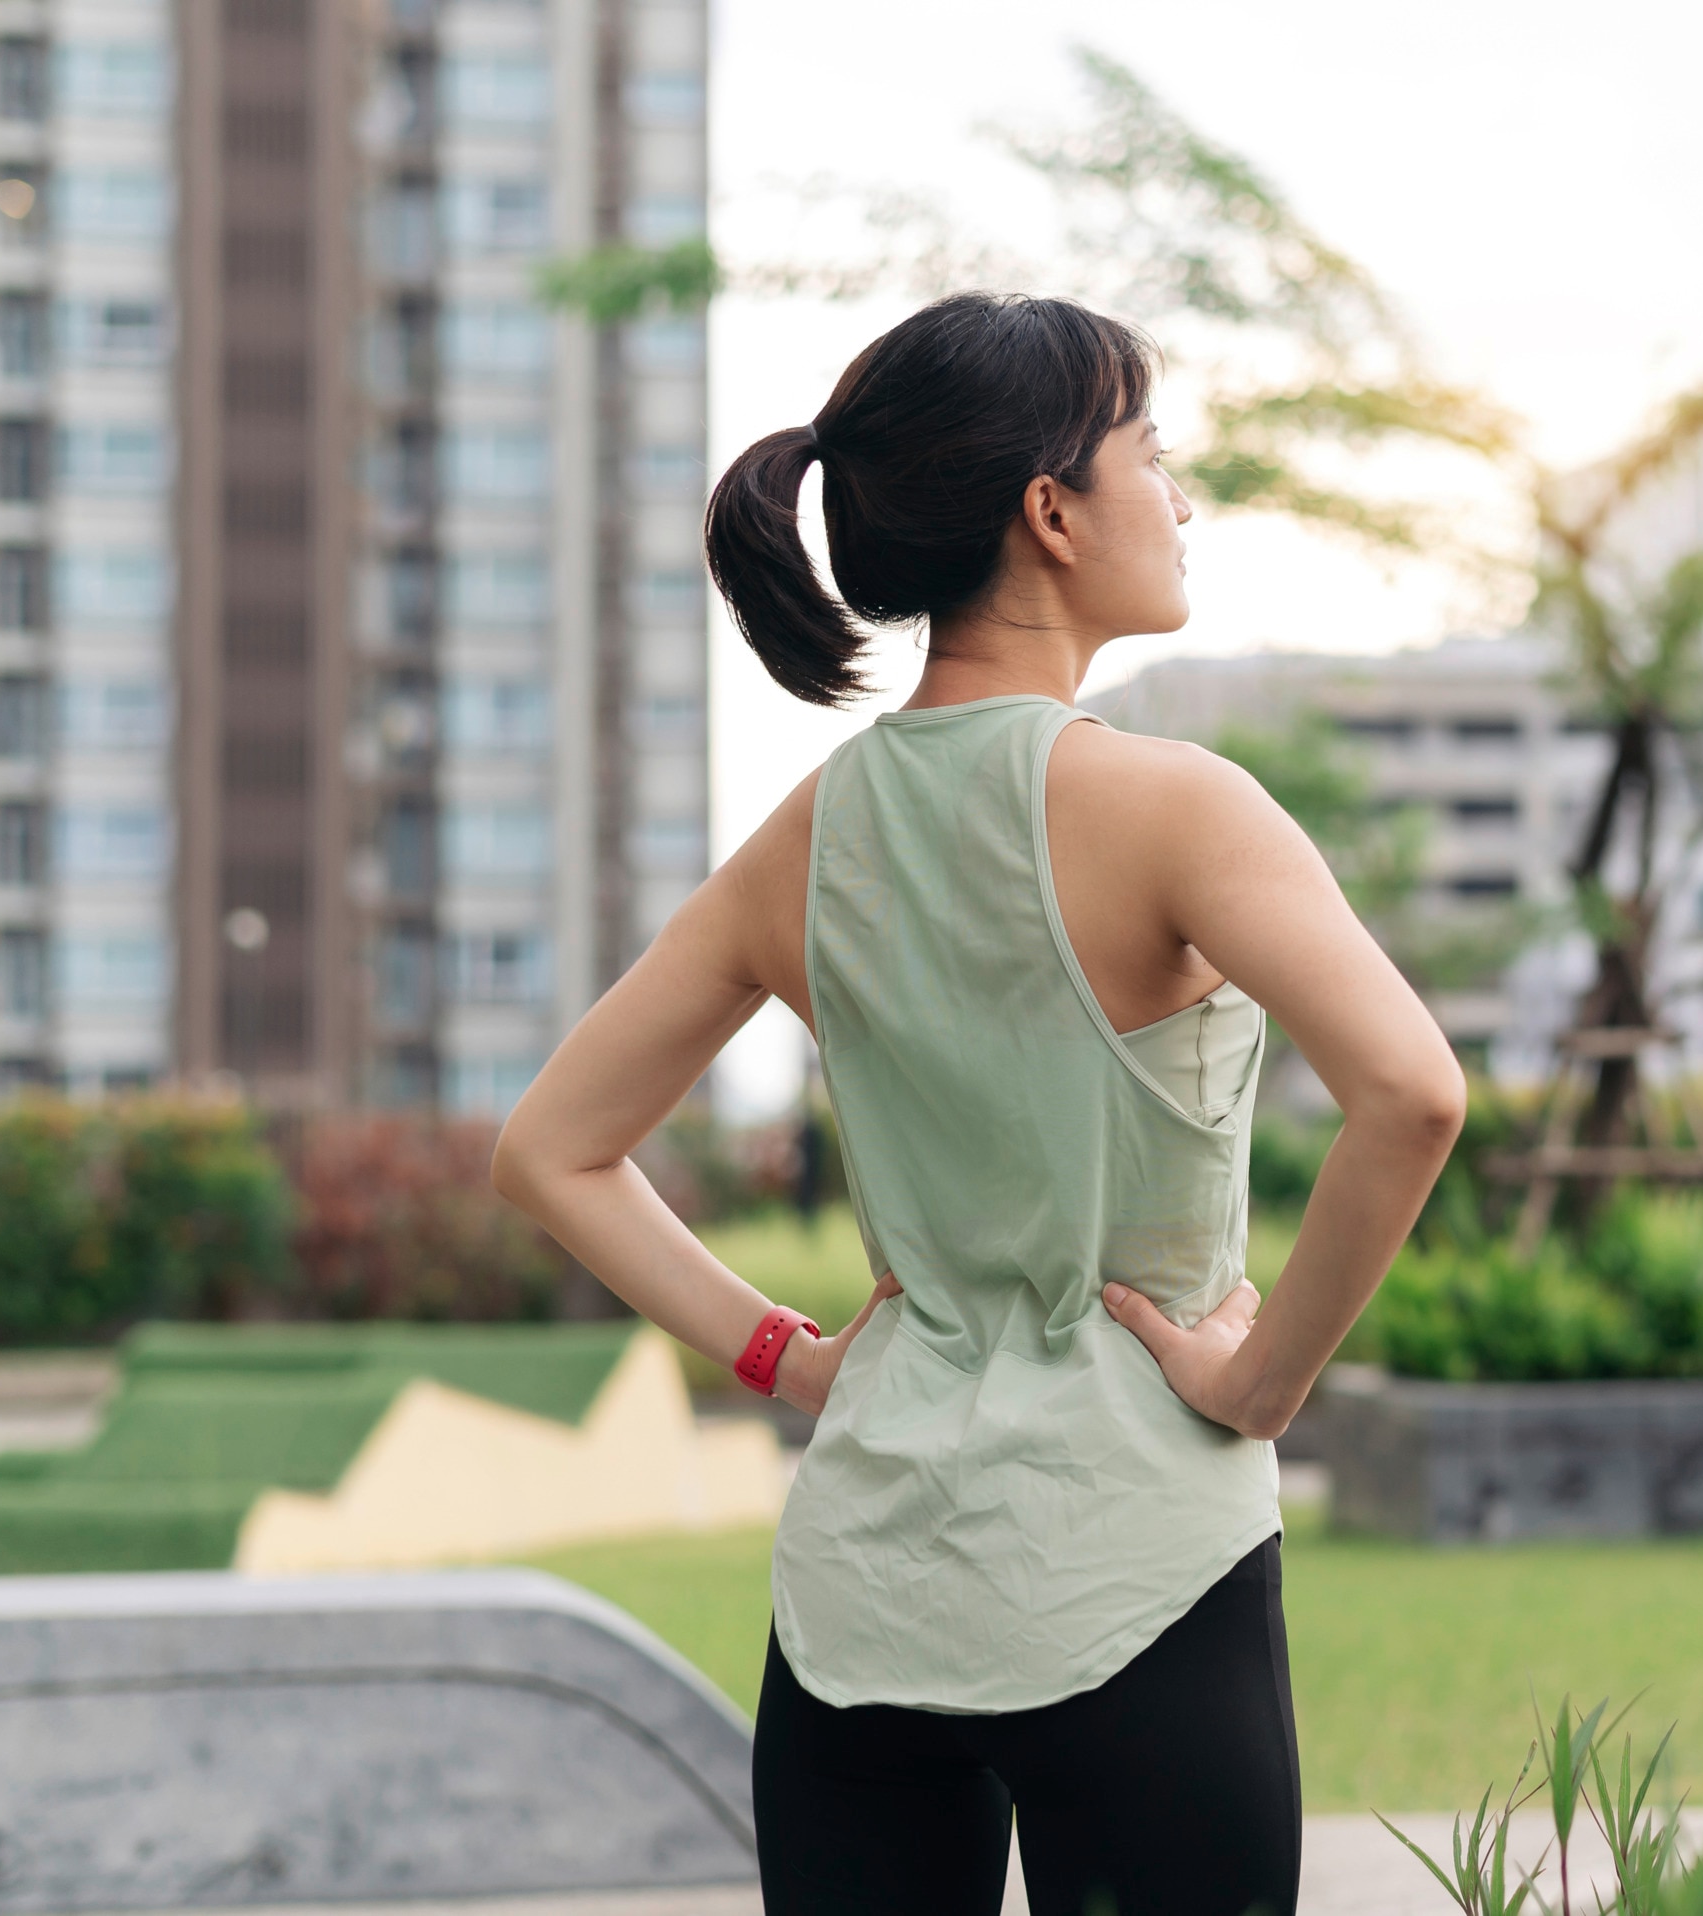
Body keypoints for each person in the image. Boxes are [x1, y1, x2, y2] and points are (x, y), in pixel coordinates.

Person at [491, 292, 1468, 1915]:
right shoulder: (1176, 807)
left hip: (864, 1604)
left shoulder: (806, 837)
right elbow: (1414, 1095)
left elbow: (550, 1152)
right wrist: (1262, 1383)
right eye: (1154, 456)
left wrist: (786, 1360)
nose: (1181, 498)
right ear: (1053, 511)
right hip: (1141, 1568)